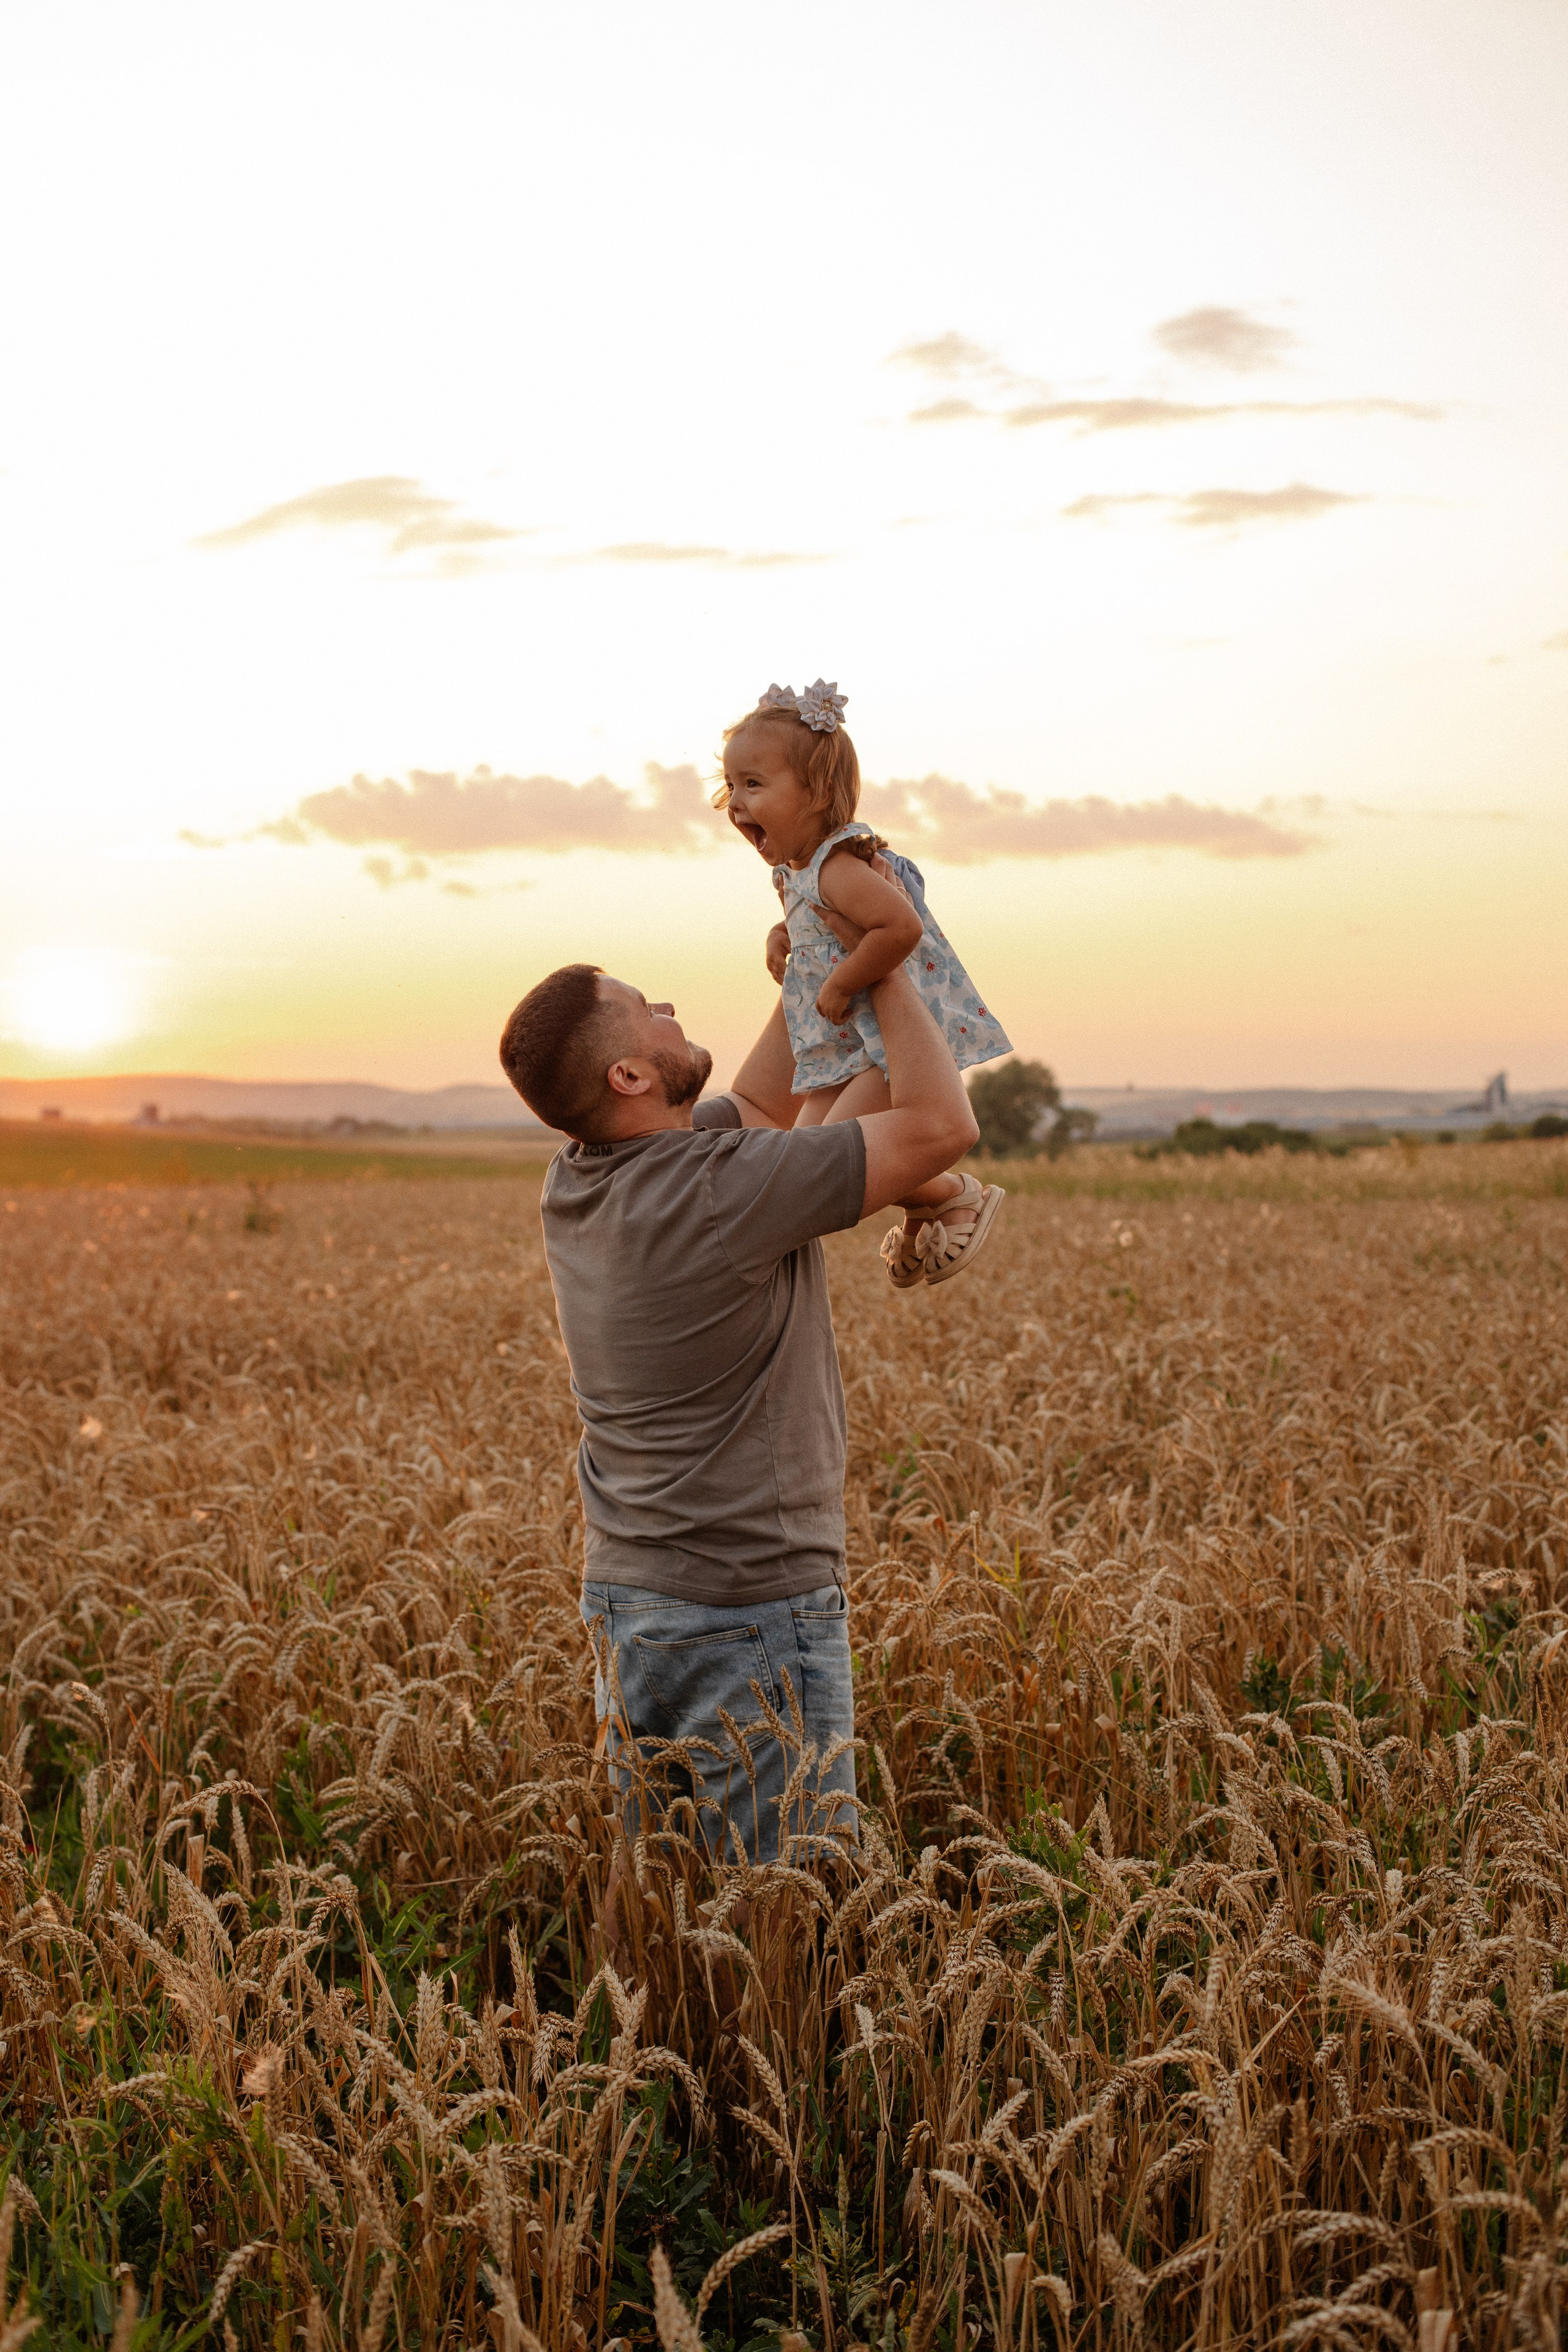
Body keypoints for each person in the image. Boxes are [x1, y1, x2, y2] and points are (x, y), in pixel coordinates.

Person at [496, 936, 979, 1893]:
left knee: (675, 1904)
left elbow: (761, 1105)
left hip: (632, 1601)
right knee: (787, 1918)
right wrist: (885, 962)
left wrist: (813, 966)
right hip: (749, 1607)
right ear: (631, 1071)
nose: (669, 1005)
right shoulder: (725, 1191)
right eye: (649, 1008)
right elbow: (938, 1125)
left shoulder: (582, 1178)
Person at [717, 677, 1010, 1289]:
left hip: (879, 1046)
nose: (734, 803)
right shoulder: (797, 874)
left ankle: (954, 1193)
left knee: (823, 1172)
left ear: (816, 792)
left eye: (753, 784)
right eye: (729, 786)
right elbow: (817, 927)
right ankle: (927, 1201)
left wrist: (843, 981)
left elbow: (897, 927)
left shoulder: (839, 866)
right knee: (801, 1166)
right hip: (837, 1050)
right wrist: (783, 939)